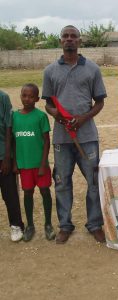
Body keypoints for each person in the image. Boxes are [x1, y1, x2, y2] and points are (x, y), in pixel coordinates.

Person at [42, 25, 107, 244]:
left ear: (80, 41)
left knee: (93, 181)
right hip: (62, 138)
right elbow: (48, 105)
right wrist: (57, 116)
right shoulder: (50, 71)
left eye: (73, 36)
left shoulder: (92, 69)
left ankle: (95, 224)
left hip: (87, 137)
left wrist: (83, 118)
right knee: (62, 182)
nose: (69, 39)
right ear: (60, 41)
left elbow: (99, 102)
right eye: (65, 36)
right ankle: (65, 225)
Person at [11, 83, 55, 241]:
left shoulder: (40, 116)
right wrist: (15, 163)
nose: (27, 99)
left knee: (44, 190)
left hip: (39, 165)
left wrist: (43, 164)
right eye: (24, 95)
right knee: (28, 193)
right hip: (24, 165)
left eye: (31, 96)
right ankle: (30, 225)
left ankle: (48, 224)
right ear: (21, 96)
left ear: (37, 98)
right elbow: (14, 142)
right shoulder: (14, 117)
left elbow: (46, 142)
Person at [0, 90, 24, 242]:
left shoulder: (3, 97)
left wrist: (8, 157)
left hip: (3, 155)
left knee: (9, 193)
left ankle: (16, 225)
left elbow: (9, 128)